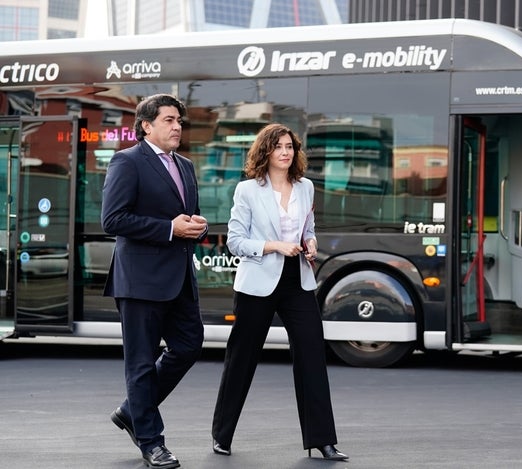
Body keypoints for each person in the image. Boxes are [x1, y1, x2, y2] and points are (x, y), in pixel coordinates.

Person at [211, 123, 348, 461]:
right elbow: (235, 242)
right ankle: (222, 435)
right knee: (242, 358)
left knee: (312, 355)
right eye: (279, 147)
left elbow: (308, 229)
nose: (286, 152)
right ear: (266, 152)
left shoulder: (306, 188)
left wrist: (310, 243)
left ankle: (323, 439)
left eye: (290, 146)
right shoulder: (247, 191)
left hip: (297, 280)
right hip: (258, 283)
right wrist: (274, 246)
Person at [101, 93, 208, 469]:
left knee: (190, 346)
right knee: (141, 364)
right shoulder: (127, 161)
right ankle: (151, 441)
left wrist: (197, 225)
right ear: (146, 125)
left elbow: (188, 214)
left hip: (178, 278)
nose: (177, 126)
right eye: (168, 120)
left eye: (179, 120)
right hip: (140, 280)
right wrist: (169, 228)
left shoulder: (186, 165)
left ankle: (133, 410)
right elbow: (112, 220)